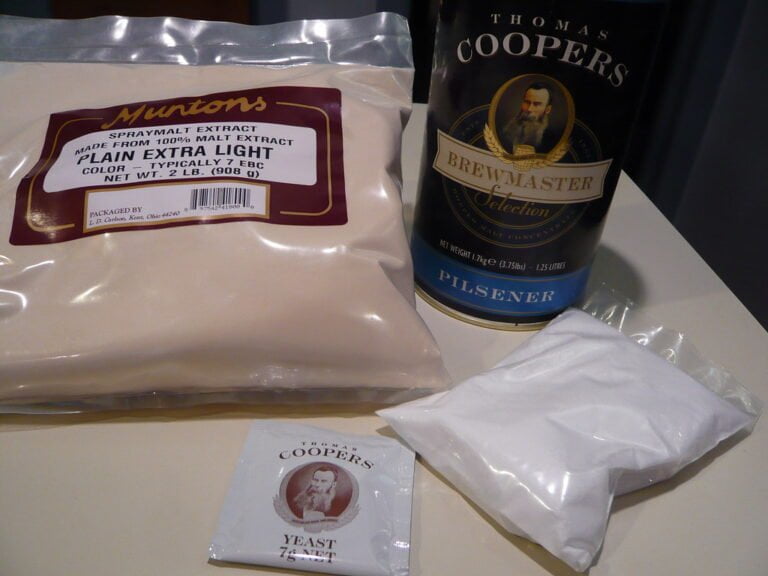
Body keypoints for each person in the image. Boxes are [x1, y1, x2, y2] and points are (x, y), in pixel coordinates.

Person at [501, 82, 560, 154]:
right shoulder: (507, 131)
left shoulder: (551, 139)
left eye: (537, 104)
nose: (529, 109)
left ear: (547, 109)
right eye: (527, 102)